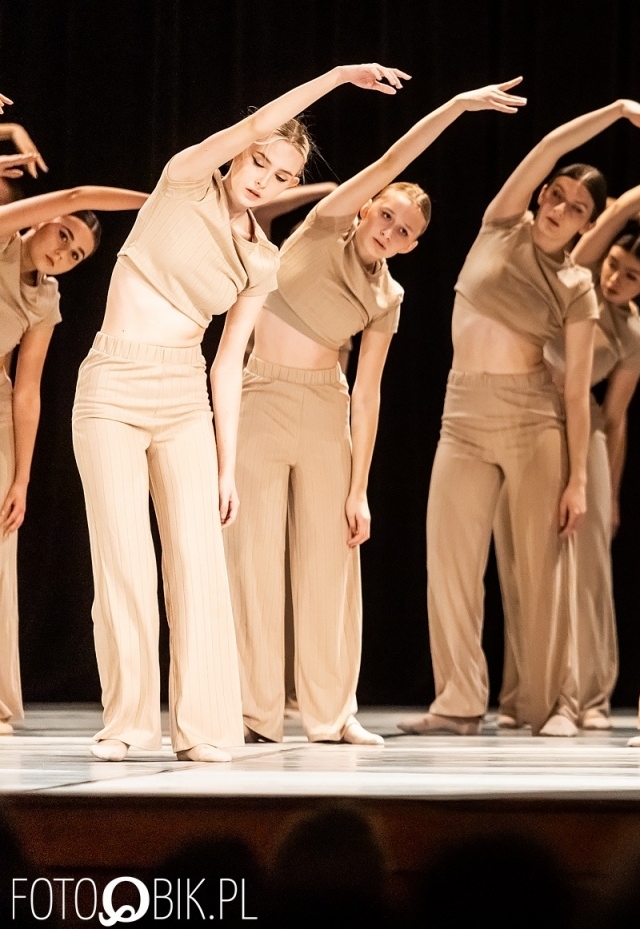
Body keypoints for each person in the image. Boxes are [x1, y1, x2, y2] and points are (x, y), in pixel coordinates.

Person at [76, 61, 407, 762]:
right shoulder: (184, 181)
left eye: (283, 176)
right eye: (260, 162)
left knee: (199, 563)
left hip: (183, 396)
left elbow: (228, 363)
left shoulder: (262, 259)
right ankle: (129, 722)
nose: (265, 180)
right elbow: (259, 121)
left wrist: (227, 467)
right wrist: (339, 76)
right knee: (125, 560)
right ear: (239, 153)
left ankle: (201, 728)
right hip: (113, 382)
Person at [225, 78, 525, 746]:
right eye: (386, 215)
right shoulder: (323, 227)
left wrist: (359, 488)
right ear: (366, 209)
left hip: (325, 413)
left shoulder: (388, 296)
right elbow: (393, 159)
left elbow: (369, 392)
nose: (391, 230)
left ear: (413, 246)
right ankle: (254, 713)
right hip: (262, 396)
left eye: (406, 231)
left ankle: (331, 714)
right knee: (253, 558)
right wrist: (456, 106)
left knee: (330, 565)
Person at [400, 96, 640, 738]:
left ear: (587, 224)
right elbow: (549, 145)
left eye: (578, 210)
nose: (561, 211)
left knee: (543, 573)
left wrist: (579, 479)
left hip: (533, 421)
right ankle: (459, 702)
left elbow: (577, 393)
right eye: (558, 197)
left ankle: (551, 705)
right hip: (463, 413)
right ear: (543, 194)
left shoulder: (577, 286)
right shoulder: (500, 224)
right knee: (451, 563)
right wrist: (615, 111)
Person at [496, 172, 640, 733]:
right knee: (524, 558)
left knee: (589, 569)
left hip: (588, 436)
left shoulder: (636, 335)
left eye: (632, 276)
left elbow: (615, 419)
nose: (616, 278)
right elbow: (614, 211)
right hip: (531, 416)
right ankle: (526, 692)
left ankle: (591, 695)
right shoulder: (578, 279)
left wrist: (612, 494)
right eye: (615, 264)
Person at [0, 186, 148, 733]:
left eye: (76, 254)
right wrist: (156, 199)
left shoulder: (45, 299)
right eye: (63, 235)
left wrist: (21, 477)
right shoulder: (3, 239)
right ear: (44, 219)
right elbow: (80, 192)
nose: (63, 253)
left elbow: (26, 390)